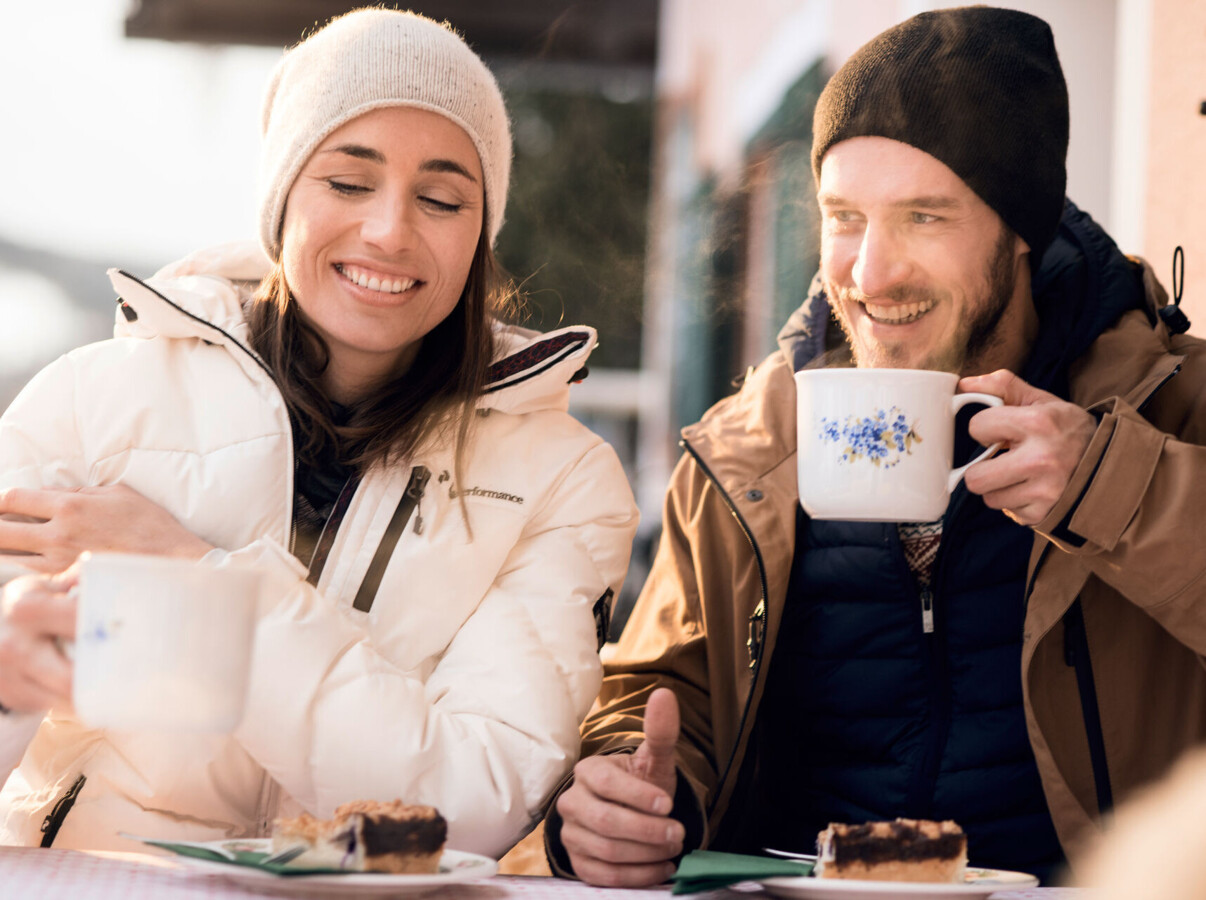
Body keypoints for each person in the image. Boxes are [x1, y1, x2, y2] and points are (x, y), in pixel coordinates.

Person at [545, 5, 1206, 887]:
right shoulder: (748, 449)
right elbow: (661, 693)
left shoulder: (1177, 407)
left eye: (924, 217)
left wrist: (1116, 489)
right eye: (844, 216)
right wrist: (626, 795)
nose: (869, 273)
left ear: (1023, 229)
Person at [0, 8, 638, 857]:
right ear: (282, 196)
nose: (388, 230)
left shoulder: (562, 481)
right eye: (347, 182)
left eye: (442, 198)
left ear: (482, 233)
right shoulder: (91, 405)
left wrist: (204, 580)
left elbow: (478, 802)